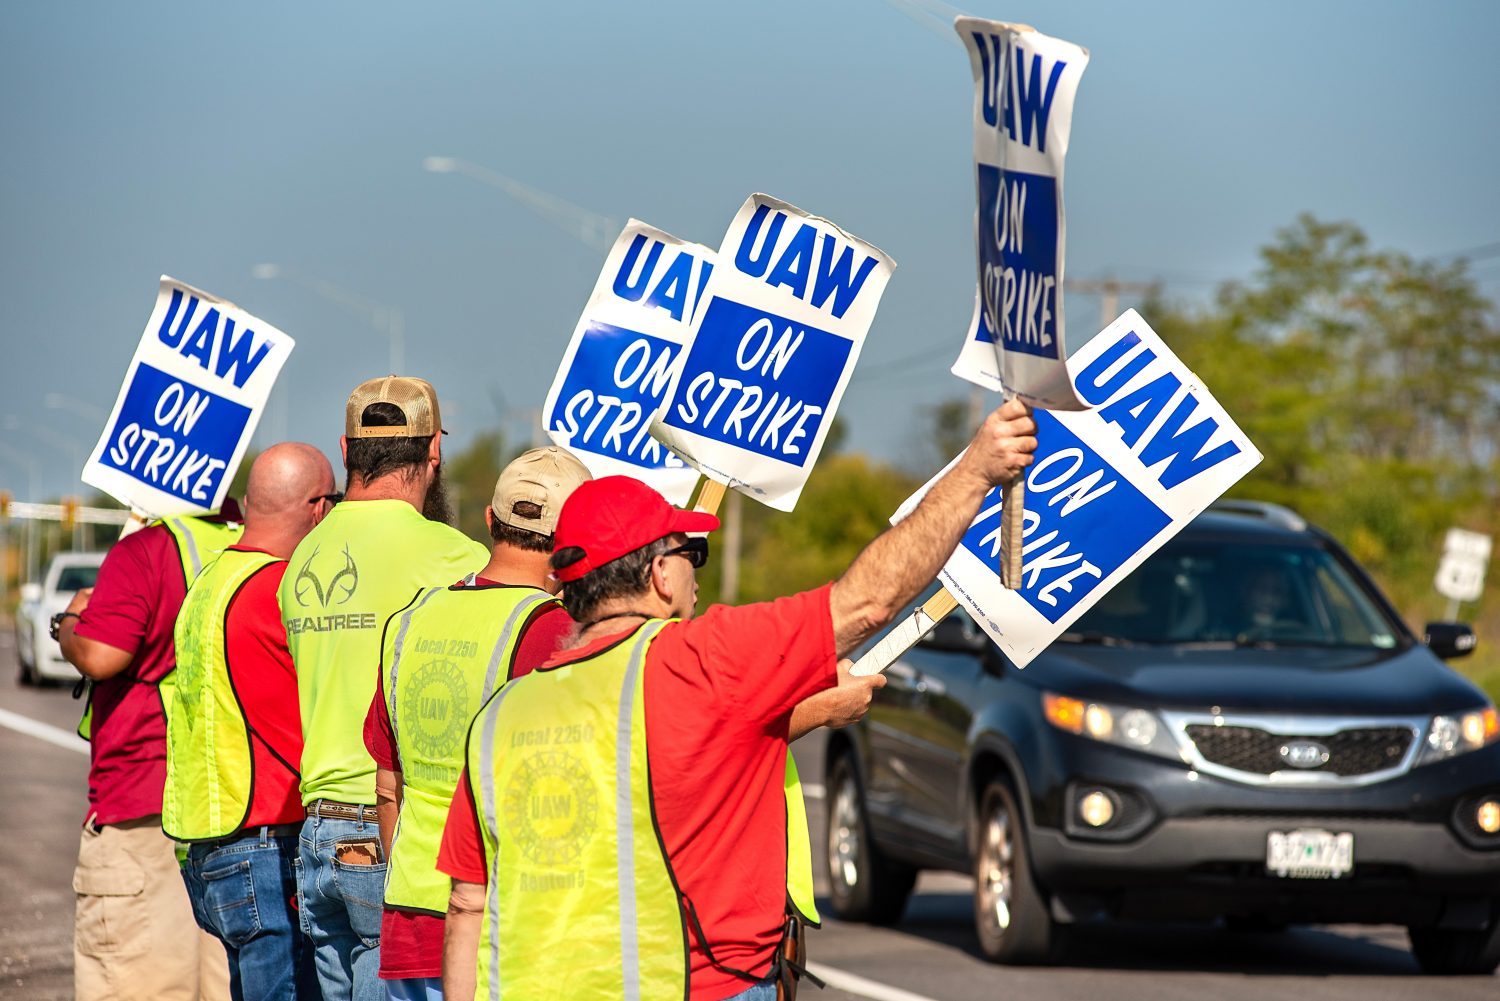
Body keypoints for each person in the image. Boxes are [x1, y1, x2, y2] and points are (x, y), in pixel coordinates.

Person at [438, 400, 1038, 1000]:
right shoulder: (706, 659)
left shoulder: (502, 716)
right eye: (688, 553)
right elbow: (868, 602)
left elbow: (468, 904)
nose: (697, 572)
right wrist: (977, 470)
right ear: (659, 576)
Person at [281, 375, 489, 1001]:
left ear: (345, 452)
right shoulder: (454, 557)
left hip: (316, 832)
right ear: (433, 455)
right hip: (388, 828)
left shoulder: (302, 558)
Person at [363, 446, 591, 1000]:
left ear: (490, 521)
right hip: (498, 928)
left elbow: (387, 788)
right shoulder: (553, 631)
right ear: (575, 539)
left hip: (409, 917)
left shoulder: (411, 618)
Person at [162, 443, 337, 1001]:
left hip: (210, 843)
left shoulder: (211, 582)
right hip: (267, 844)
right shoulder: (278, 590)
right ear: (317, 507)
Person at [57, 507, 240, 1001]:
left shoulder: (146, 550)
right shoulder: (253, 544)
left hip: (143, 803)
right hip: (234, 806)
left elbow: (100, 653)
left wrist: (70, 621)